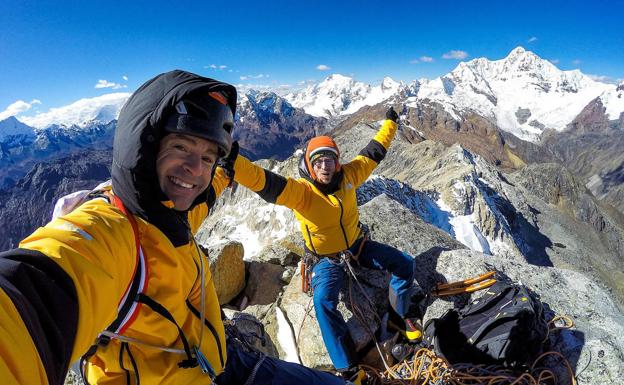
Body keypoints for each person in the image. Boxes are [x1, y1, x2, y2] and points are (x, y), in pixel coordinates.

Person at [0, 70, 347, 385]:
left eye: (207, 157)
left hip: (220, 364)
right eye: (181, 146)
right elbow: (31, 297)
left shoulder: (169, 213)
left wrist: (225, 168)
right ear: (143, 148)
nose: (196, 169)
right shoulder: (111, 232)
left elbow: (207, 192)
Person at [227, 107, 425, 382]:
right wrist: (233, 164)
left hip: (358, 246)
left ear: (337, 162)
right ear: (309, 164)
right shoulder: (302, 193)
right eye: (318, 161)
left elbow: (375, 150)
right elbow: (264, 182)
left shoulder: (350, 175)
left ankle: (398, 317)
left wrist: (391, 121)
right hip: (326, 259)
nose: (324, 167)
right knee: (323, 303)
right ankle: (348, 366)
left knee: (404, 263)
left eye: (329, 160)